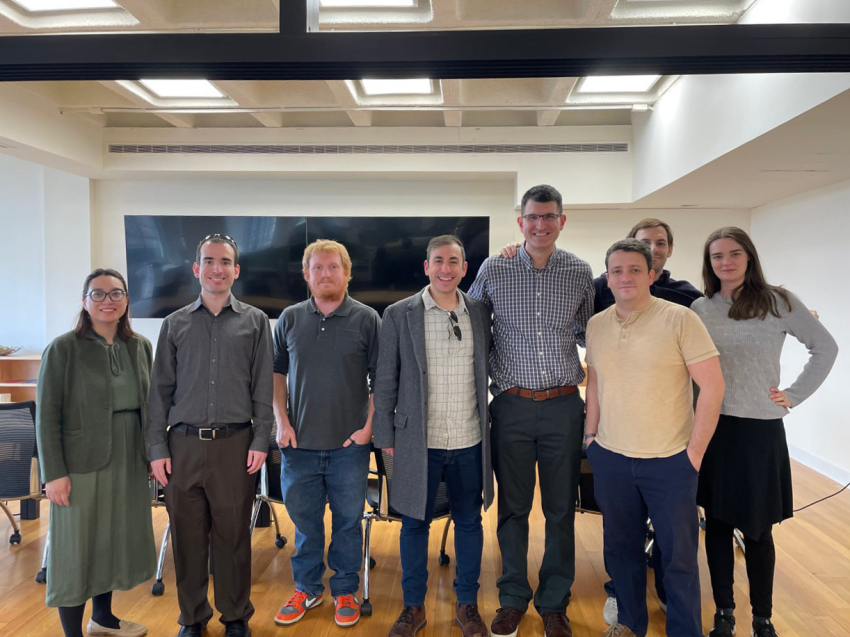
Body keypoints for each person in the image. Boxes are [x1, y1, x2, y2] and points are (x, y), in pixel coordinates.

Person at [691, 227, 838, 637]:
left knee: (757, 529)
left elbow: (825, 348)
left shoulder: (780, 302)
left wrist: (793, 395)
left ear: (749, 257)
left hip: (759, 431)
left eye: (735, 254)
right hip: (713, 427)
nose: (727, 262)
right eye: (717, 256)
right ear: (710, 264)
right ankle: (724, 613)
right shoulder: (701, 308)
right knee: (717, 526)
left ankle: (763, 617)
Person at [468, 184, 594, 637]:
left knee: (561, 509)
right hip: (512, 406)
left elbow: (591, 337)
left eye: (549, 216)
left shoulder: (580, 273)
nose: (540, 225)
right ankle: (512, 598)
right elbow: (473, 327)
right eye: (532, 217)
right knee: (513, 508)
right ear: (520, 221)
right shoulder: (494, 268)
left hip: (563, 406)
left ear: (562, 220)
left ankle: (555, 602)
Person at [584, 239, 725, 637]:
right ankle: (629, 624)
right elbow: (594, 384)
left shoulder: (680, 319)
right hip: (611, 457)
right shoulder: (597, 324)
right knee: (620, 551)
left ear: (651, 274)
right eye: (616, 271)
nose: (624, 277)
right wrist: (590, 437)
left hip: (670, 462)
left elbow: (713, 388)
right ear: (607, 278)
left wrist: (693, 454)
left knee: (678, 558)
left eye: (633, 269)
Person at [147, 234, 274, 637]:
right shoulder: (175, 323)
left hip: (236, 446)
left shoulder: (255, 322)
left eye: (225, 261)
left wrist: (260, 440)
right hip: (182, 445)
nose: (216, 268)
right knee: (187, 538)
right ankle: (193, 618)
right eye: (209, 261)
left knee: (233, 535)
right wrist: (155, 448)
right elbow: (159, 391)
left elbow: (262, 389)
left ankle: (235, 615)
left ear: (236, 270)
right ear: (196, 268)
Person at [374, 235, 494, 637]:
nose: (446, 268)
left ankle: (467, 605)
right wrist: (384, 432)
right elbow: (384, 378)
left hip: (468, 438)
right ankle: (413, 608)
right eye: (438, 260)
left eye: (454, 261)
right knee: (413, 526)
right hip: (416, 442)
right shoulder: (398, 313)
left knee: (469, 524)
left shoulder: (479, 311)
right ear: (426, 267)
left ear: (464, 268)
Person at [36, 268, 155, 637]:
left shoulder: (139, 346)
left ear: (127, 301)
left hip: (129, 457)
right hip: (79, 461)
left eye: (116, 293)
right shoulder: (63, 348)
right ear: (85, 301)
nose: (108, 301)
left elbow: (150, 406)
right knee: (76, 548)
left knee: (112, 539)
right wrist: (52, 473)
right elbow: (46, 415)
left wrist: (152, 453)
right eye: (99, 294)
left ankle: (103, 618)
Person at [272, 239, 380, 629]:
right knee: (305, 523)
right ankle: (307, 587)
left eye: (333, 267)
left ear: (347, 273)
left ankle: (346, 589)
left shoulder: (368, 319)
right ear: (306, 274)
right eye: (317, 268)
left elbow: (380, 380)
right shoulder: (289, 319)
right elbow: (276, 374)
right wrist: (281, 422)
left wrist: (367, 428)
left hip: (348, 446)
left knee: (348, 522)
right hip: (298, 445)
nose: (325, 274)